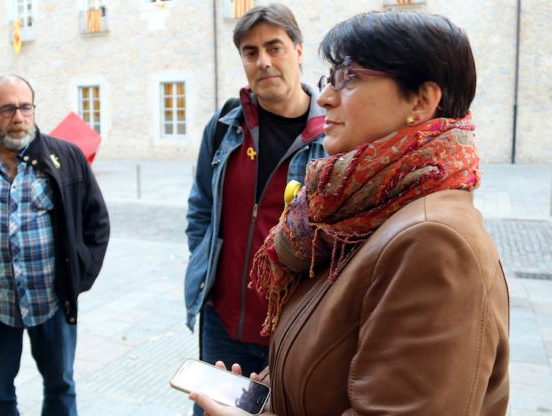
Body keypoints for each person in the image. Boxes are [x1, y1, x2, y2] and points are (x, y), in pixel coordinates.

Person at [190, 10, 510, 416]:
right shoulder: (362, 204)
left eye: (351, 78)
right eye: (330, 79)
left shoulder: (435, 241)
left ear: (422, 100)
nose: (326, 98)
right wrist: (271, 396)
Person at [184, 4, 326, 414]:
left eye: (274, 47)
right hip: (223, 320)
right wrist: (206, 269)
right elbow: (200, 209)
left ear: (298, 50)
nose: (262, 61)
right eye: (250, 52)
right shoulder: (226, 126)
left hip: (290, 325)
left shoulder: (331, 138)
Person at [0, 75, 110, 416]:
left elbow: (97, 222)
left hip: (52, 302)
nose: (18, 117)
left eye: (25, 107)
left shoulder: (64, 156)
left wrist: (78, 278)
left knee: (60, 385)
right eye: (7, 109)